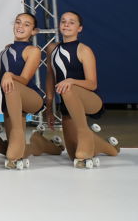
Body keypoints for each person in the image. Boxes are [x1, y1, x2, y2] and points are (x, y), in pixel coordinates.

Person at [45, 11, 120, 168]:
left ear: (80, 28)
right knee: (73, 155)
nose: (66, 24)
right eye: (63, 21)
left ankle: (85, 133)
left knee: (68, 88)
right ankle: (108, 147)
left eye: (72, 22)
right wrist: (49, 107)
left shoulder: (84, 50)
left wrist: (71, 80)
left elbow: (92, 84)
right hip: (68, 105)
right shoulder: (52, 49)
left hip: (90, 100)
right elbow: (51, 78)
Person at [0, 11, 45, 169]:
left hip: (31, 98)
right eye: (18, 22)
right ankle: (41, 145)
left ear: (34, 31)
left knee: (14, 84)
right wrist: (6, 110)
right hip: (12, 100)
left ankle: (20, 138)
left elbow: (23, 80)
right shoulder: (4, 51)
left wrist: (10, 74)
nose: (20, 26)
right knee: (17, 149)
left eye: (26, 24)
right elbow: (2, 84)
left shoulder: (33, 51)